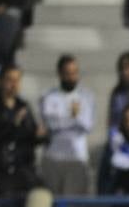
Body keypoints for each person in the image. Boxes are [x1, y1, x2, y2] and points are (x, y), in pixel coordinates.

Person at [0, 65, 45, 207]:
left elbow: (30, 136)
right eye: (9, 80)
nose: (13, 84)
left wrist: (40, 136)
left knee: (43, 199)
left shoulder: (24, 107)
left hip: (25, 169)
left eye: (17, 80)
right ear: (1, 82)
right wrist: (12, 125)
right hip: (2, 171)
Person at [39, 55, 97, 197]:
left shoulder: (87, 96)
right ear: (60, 74)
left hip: (77, 157)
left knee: (74, 203)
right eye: (67, 73)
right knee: (53, 201)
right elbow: (50, 124)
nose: (72, 77)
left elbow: (87, 125)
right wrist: (72, 118)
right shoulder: (48, 96)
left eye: (74, 73)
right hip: (54, 157)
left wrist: (74, 117)